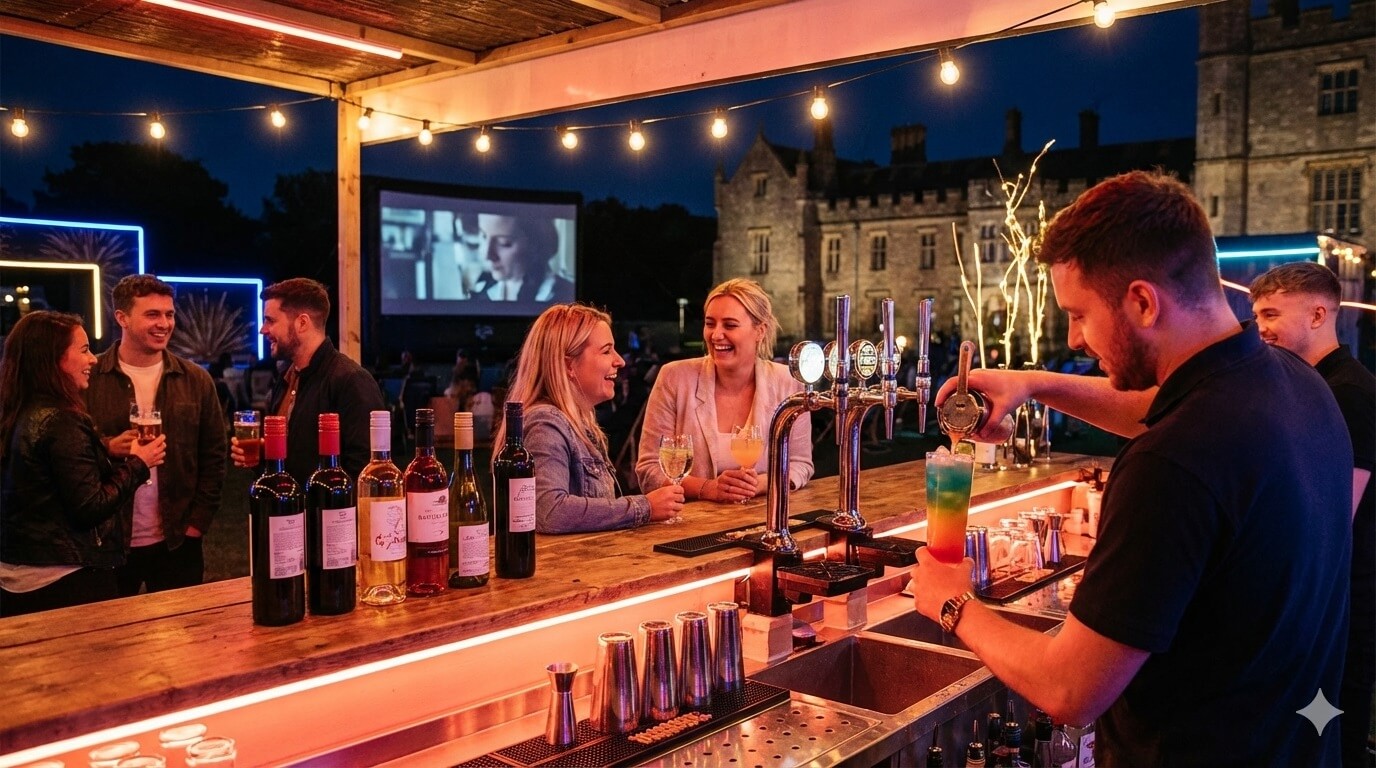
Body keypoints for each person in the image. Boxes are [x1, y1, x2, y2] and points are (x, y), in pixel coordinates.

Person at [917, 171, 1351, 765]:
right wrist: (1034, 385)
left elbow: (1070, 689)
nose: (1073, 339)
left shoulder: (1170, 465)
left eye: (1078, 314)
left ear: (1143, 302)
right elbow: (1160, 408)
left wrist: (953, 601)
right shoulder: (1294, 381)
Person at [1250, 260, 1374, 767]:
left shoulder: (1347, 394)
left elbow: (1331, 519)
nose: (1260, 327)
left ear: (1319, 313)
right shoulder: (1311, 385)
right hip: (1321, 602)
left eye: (1272, 313)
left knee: (1328, 742)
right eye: (1257, 314)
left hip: (1342, 609)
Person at [0, 311, 167, 616]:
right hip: (63, 581)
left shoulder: (16, 411)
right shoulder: (63, 419)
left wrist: (103, 450)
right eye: (83, 350)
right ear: (52, 358)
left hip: (16, 575)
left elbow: (44, 480)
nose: (93, 360)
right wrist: (139, 463)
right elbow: (89, 508)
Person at [84, 275, 227, 595]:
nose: (164, 323)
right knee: (111, 639)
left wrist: (196, 525)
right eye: (152, 314)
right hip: (108, 540)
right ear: (122, 317)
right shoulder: (91, 377)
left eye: (169, 314)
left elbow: (214, 456)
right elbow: (69, 449)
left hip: (177, 540)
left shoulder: (195, 379)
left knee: (181, 637)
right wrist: (107, 446)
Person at [495, 303, 683, 533]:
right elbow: (549, 511)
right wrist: (644, 507)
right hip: (563, 567)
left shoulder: (579, 423)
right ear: (568, 365)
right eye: (606, 351)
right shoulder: (546, 423)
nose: (620, 361)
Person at [636, 278, 813, 501]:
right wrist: (707, 488)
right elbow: (649, 469)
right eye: (710, 324)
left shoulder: (788, 381)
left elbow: (800, 464)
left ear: (760, 330)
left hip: (763, 522)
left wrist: (757, 484)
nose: (716, 335)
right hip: (691, 526)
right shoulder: (674, 377)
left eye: (729, 325)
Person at [230, 278, 387, 483]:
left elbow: (366, 473)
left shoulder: (351, 381)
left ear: (302, 323)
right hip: (287, 513)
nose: (263, 330)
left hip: (329, 515)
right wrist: (263, 454)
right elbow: (297, 458)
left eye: (270, 320)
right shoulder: (287, 378)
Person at [471, 213, 575, 303]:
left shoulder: (567, 298)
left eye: (504, 243)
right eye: (484, 236)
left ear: (535, 245)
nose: (487, 256)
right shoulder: (483, 287)